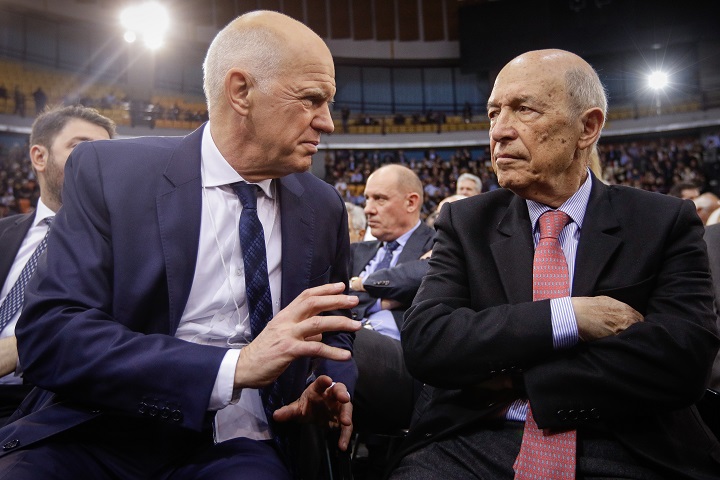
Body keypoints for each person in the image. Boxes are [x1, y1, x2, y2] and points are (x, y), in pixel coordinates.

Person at [0, 11, 361, 480]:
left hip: (241, 445)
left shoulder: (323, 205)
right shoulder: (110, 172)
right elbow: (52, 334)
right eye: (312, 99)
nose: (328, 122)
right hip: (100, 427)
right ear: (241, 91)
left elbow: (333, 329)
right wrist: (233, 368)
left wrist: (327, 385)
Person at [391, 49, 720, 479]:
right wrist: (567, 317)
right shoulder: (465, 222)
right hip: (473, 443)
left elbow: (683, 361)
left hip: (625, 444)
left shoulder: (662, 221)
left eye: (524, 109)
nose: (499, 131)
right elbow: (427, 342)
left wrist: (515, 378)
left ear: (588, 127)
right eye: (493, 113)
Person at [0, 106, 115, 425]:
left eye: (105, 153)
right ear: (40, 157)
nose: (97, 162)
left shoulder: (123, 245)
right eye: (81, 148)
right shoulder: (4, 232)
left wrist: (23, 347)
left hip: (41, 403)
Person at [349, 164, 434, 433]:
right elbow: (331, 292)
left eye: (380, 199)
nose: (368, 209)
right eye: (367, 199)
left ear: (411, 202)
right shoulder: (355, 252)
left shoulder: (438, 242)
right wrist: (382, 301)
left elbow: (421, 277)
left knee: (329, 339)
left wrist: (361, 284)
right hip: (353, 354)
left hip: (405, 365)